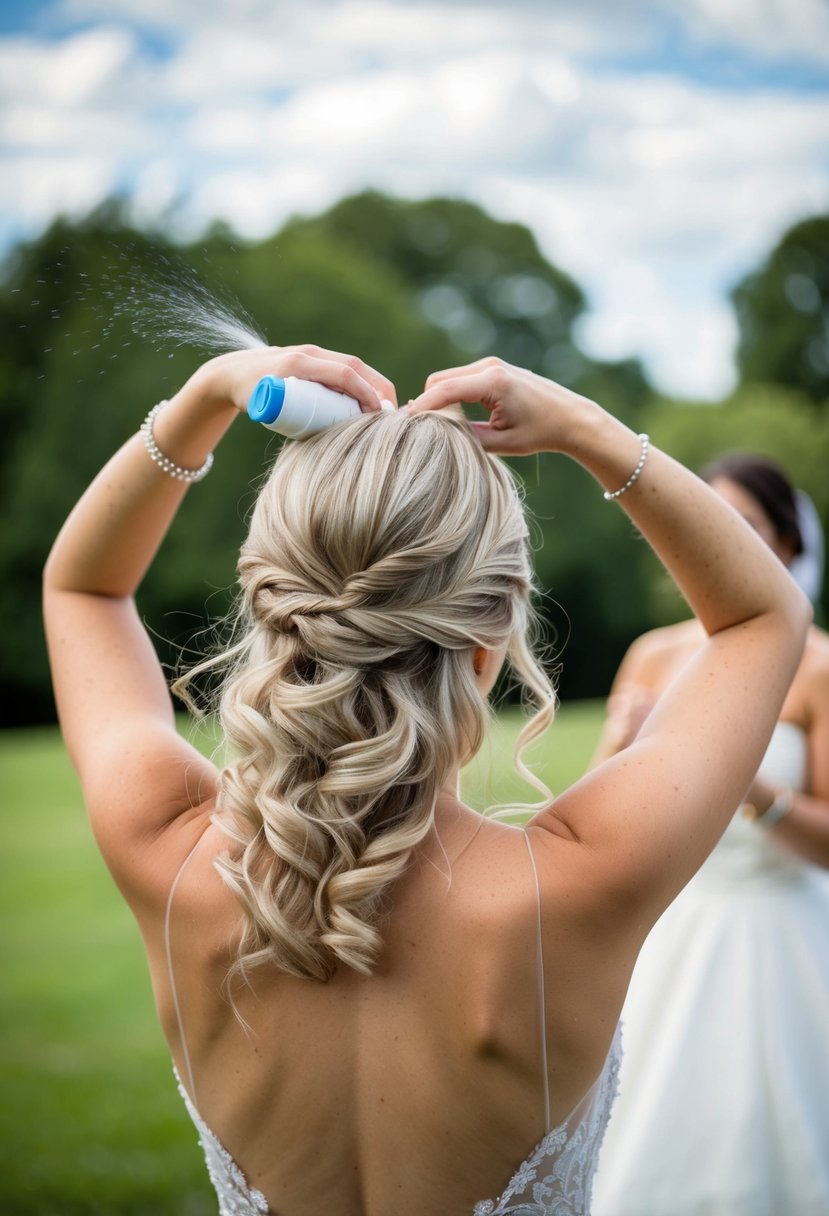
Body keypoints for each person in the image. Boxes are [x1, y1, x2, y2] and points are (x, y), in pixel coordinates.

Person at [43, 347, 810, 1216]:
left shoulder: (168, 850)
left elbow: (82, 589)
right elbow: (762, 617)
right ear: (491, 644)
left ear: (276, 617)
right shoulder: (581, 877)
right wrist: (589, 433)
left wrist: (207, 393)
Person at [591, 452, 829, 1216]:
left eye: (748, 526)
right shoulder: (652, 656)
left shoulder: (818, 667)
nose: (723, 539)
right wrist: (618, 750)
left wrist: (754, 791)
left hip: (786, 931)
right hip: (671, 932)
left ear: (787, 544)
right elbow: (590, 820)